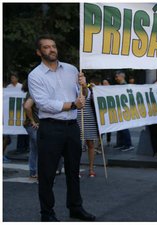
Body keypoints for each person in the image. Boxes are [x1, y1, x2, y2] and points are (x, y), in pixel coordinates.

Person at [28, 35, 95, 221]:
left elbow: (84, 97)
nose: (52, 49)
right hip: (50, 128)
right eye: (47, 47)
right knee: (47, 174)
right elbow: (44, 104)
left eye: (54, 46)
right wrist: (73, 105)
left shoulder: (72, 69)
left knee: (74, 171)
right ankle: (47, 214)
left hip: (72, 126)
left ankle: (76, 208)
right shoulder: (35, 75)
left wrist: (85, 87)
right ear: (39, 52)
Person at [77, 77, 101, 178]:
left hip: (89, 118)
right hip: (76, 118)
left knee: (91, 144)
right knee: (77, 146)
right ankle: (76, 169)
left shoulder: (89, 89)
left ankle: (91, 168)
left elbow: (89, 96)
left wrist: (93, 89)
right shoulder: (72, 88)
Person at [22, 80, 39, 179]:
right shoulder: (33, 92)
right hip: (33, 125)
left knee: (34, 149)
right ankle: (38, 172)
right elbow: (27, 107)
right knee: (40, 149)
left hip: (30, 125)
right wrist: (32, 121)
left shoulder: (30, 92)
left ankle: (33, 171)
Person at [113, 71, 134, 151]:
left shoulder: (124, 86)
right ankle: (121, 143)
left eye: (117, 76)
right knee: (120, 127)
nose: (116, 78)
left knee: (124, 127)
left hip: (124, 109)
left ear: (122, 77)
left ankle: (128, 144)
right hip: (120, 109)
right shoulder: (121, 86)